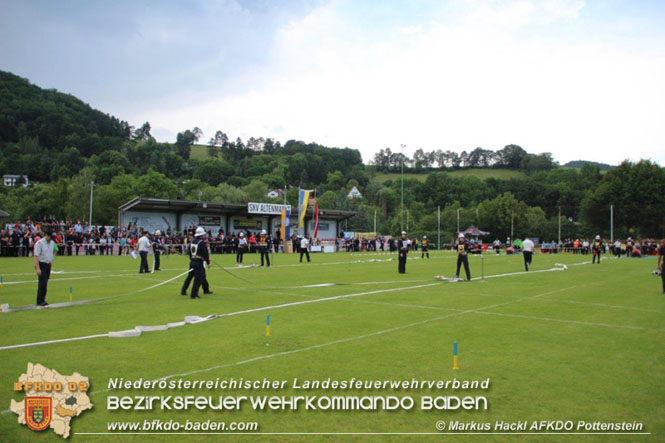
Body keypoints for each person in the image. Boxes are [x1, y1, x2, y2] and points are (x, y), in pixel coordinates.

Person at [184, 227, 212, 299]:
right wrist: (208, 262)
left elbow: (189, 252)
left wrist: (192, 259)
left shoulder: (192, 242)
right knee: (198, 279)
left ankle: (183, 290)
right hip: (199, 263)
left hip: (193, 261)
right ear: (201, 235)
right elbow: (205, 253)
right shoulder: (202, 243)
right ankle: (194, 294)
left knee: (190, 277)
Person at [34, 231, 55, 307]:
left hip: (48, 265)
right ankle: (39, 301)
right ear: (46, 235)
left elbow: (51, 253)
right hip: (41, 264)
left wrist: (51, 262)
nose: (50, 239)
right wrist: (37, 268)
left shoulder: (52, 243)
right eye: (50, 237)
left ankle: (43, 300)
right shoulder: (39, 243)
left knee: (45, 283)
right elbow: (36, 256)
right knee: (42, 283)